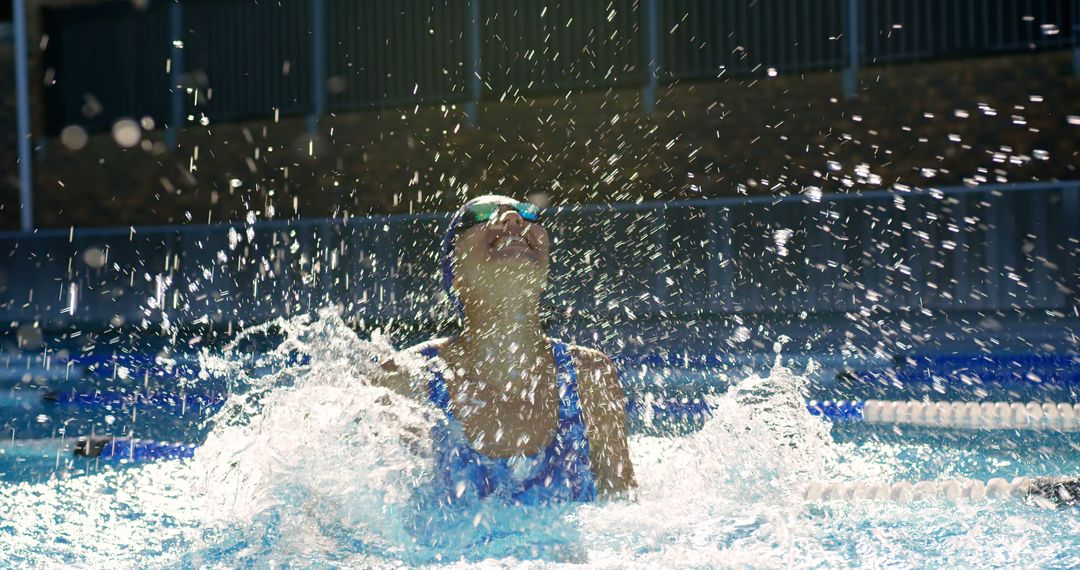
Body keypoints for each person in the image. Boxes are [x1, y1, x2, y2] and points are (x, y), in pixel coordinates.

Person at [377, 194, 635, 505]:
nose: (514, 219)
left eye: (528, 215)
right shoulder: (407, 379)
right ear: (456, 275)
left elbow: (622, 510)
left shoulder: (588, 376)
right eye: (481, 214)